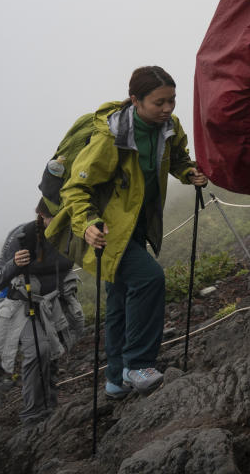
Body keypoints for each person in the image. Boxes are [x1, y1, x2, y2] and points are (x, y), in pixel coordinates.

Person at [64, 66, 208, 398]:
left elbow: (178, 159)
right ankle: (138, 365)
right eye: (159, 102)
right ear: (135, 100)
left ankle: (116, 381)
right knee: (149, 279)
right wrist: (86, 224)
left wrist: (189, 174)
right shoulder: (110, 137)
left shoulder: (168, 127)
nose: (168, 108)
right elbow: (75, 188)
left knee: (118, 302)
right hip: (109, 232)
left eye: (171, 100)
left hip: (140, 225)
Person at [0, 201, 83, 423]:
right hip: (20, 304)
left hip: (50, 304)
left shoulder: (71, 236)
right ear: (41, 215)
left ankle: (49, 406)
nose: (59, 223)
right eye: (55, 217)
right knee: (39, 349)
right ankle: (32, 414)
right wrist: (14, 264)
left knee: (51, 350)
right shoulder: (23, 236)